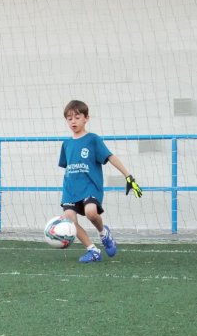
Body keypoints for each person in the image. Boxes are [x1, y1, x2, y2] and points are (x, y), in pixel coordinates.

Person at [58, 99, 142, 263]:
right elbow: (69, 167)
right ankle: (92, 250)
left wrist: (128, 176)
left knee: (91, 212)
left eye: (77, 117)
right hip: (71, 188)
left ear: (86, 118)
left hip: (90, 186)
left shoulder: (93, 139)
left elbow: (110, 157)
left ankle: (104, 233)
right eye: (69, 118)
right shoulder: (66, 144)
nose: (73, 121)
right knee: (69, 218)